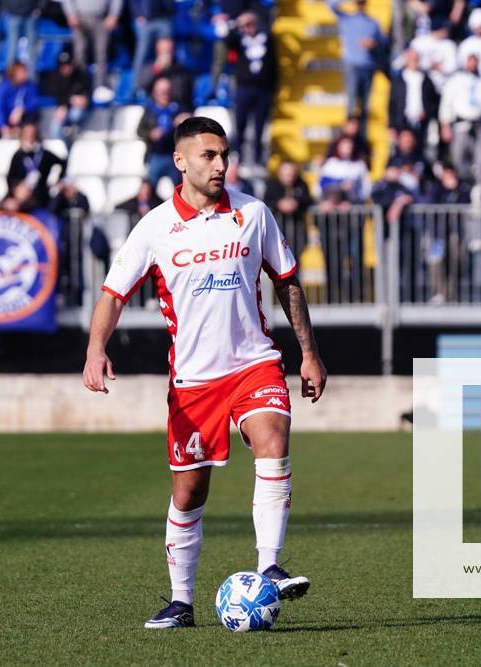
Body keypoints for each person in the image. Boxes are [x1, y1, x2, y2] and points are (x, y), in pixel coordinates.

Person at [82, 116, 327, 630]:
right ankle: (181, 601)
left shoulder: (253, 214)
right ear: (181, 161)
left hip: (254, 362)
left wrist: (308, 352)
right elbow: (113, 293)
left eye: (224, 154)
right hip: (194, 382)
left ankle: (269, 565)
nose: (220, 164)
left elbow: (287, 282)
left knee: (273, 436)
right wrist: (95, 349)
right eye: (208, 155)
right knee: (189, 494)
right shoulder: (153, 227)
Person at [226, 12, 278, 165]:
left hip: (263, 89)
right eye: (246, 25)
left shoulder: (267, 39)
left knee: (260, 125)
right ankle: (237, 154)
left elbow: (274, 64)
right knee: (240, 123)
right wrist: (237, 24)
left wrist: (273, 88)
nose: (248, 28)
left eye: (250, 24)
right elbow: (227, 41)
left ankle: (257, 156)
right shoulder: (240, 40)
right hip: (244, 87)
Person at [327, 0, 385, 122]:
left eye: (362, 2)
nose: (360, 4)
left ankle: (362, 137)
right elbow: (331, 4)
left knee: (365, 105)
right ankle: (350, 136)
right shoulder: (347, 19)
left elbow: (383, 42)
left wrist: (374, 44)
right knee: (352, 104)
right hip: (352, 65)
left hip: (368, 66)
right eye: (359, 2)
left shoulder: (373, 23)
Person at [62, 0, 122, 94]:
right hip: (80, 18)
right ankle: (81, 88)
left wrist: (114, 15)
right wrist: (70, 14)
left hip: (102, 18)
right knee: (79, 54)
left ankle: (99, 87)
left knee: (101, 55)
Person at [7, 122, 67, 208]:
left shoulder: (45, 155)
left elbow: (63, 163)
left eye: (32, 134)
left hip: (39, 193)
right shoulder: (18, 155)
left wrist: (58, 181)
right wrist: (17, 189)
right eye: (27, 135)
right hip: (20, 193)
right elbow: (10, 177)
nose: (30, 138)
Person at [137, 77, 183, 186]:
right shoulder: (149, 110)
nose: (165, 94)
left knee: (180, 188)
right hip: (155, 155)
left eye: (168, 91)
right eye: (162, 92)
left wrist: (177, 124)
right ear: (155, 93)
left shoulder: (177, 108)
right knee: (150, 188)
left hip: (174, 156)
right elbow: (139, 131)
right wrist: (151, 133)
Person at [41, 50, 92, 140]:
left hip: (78, 110)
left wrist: (84, 99)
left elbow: (86, 94)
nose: (66, 68)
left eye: (68, 65)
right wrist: (68, 102)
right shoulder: (55, 77)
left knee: (76, 114)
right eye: (63, 66)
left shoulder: (81, 76)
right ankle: (61, 149)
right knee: (54, 128)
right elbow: (54, 93)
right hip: (62, 109)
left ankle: (74, 130)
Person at [0, 62, 39, 138]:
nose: (25, 75)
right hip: (6, 122)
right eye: (22, 72)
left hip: (23, 121)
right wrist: (2, 126)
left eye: (25, 72)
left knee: (33, 116)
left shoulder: (29, 86)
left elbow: (33, 103)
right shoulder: (3, 88)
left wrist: (22, 109)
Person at [0, 0, 42, 67]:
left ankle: (32, 75)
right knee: (12, 47)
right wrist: (0, 10)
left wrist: (39, 8)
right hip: (13, 14)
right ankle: (10, 74)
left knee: (31, 48)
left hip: (30, 14)